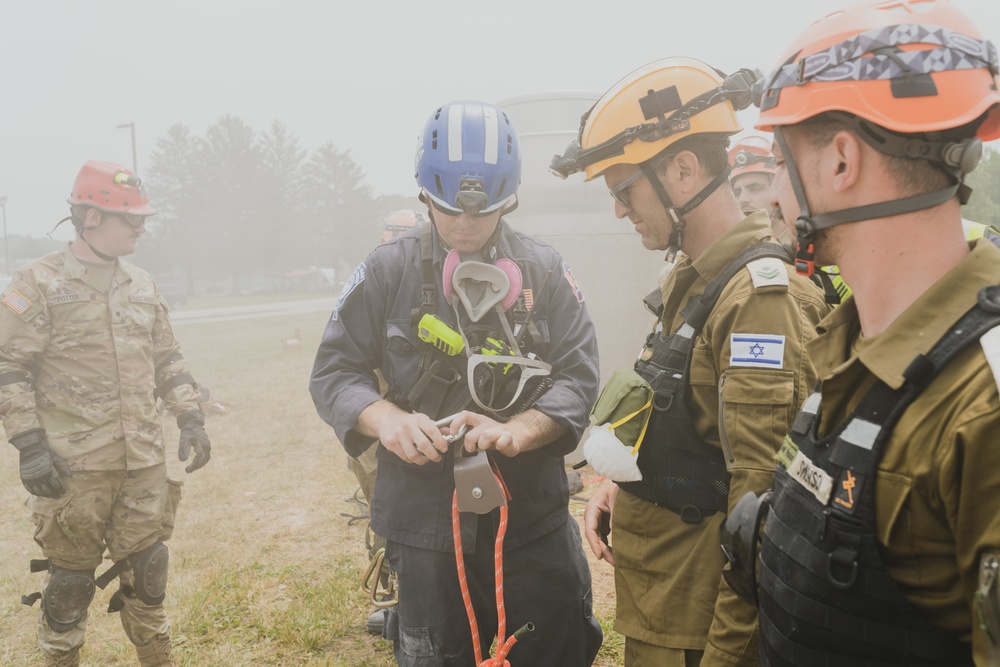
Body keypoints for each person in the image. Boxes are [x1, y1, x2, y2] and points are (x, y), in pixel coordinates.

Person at [740, 1, 1000, 664]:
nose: (771, 192)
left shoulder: (984, 402)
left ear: (841, 163)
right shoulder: (856, 341)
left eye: (779, 160)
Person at [551, 57, 831, 665]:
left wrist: (729, 654)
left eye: (626, 191)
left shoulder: (757, 301)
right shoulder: (694, 280)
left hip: (701, 630)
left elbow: (765, 506)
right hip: (664, 602)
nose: (620, 211)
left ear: (682, 170)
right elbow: (687, 418)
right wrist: (624, 484)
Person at [310, 100, 603, 666]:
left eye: (484, 210)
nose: (465, 225)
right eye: (449, 209)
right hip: (425, 528)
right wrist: (386, 419)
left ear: (509, 199)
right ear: (425, 193)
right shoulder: (385, 270)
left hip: (532, 520)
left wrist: (520, 430)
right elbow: (334, 371)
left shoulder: (544, 270)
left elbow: (579, 373)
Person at [0, 160, 211, 667]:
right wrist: (30, 446)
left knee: (149, 573)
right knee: (69, 586)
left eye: (142, 218)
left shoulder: (142, 284)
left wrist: (190, 418)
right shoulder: (39, 282)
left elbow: (168, 361)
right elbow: (9, 367)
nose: (142, 227)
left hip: (141, 464)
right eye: (130, 219)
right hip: (71, 471)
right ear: (90, 218)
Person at [728, 135, 787, 242]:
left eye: (754, 188)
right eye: (737, 192)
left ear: (778, 191)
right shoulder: (736, 246)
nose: (742, 199)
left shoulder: (803, 242)